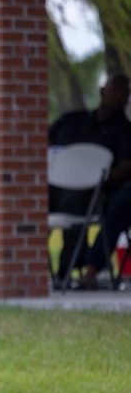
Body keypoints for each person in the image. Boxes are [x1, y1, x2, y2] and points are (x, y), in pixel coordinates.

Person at [48, 74, 131, 288]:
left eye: (124, 93)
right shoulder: (72, 120)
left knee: (77, 197)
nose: (119, 96)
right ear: (103, 91)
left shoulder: (124, 131)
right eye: (115, 90)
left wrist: (90, 177)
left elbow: (125, 167)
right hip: (54, 187)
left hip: (97, 192)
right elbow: (46, 139)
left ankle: (68, 270)